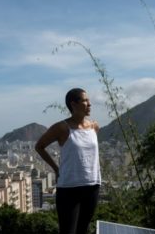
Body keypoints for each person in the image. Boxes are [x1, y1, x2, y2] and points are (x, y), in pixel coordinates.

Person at [35, 88, 101, 234]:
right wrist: (56, 168)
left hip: (92, 185)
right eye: (85, 100)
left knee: (83, 229)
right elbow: (39, 146)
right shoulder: (61, 128)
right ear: (73, 104)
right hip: (69, 187)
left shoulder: (94, 127)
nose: (89, 104)